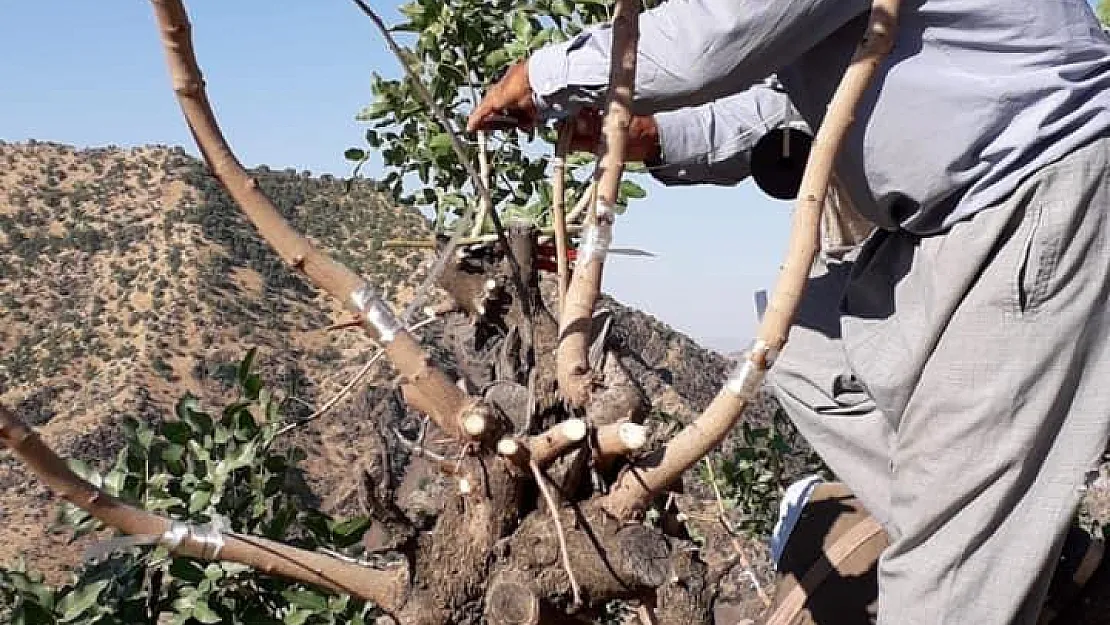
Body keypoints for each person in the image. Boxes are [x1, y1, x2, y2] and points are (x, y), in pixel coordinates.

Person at [468, 1, 1110, 624]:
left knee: (945, 546)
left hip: (1039, 190)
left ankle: (965, 557)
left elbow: (720, 37)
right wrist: (660, 137)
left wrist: (547, 75)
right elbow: (786, 95)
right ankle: (1022, 557)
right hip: (952, 220)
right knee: (798, 336)